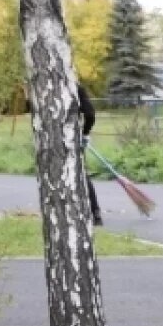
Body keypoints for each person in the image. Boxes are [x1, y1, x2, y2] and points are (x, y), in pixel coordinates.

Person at [76, 84, 102, 226]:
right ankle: (95, 212)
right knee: (82, 174)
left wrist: (84, 134)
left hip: (54, 143)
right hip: (74, 138)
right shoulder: (76, 87)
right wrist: (85, 132)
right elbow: (90, 114)